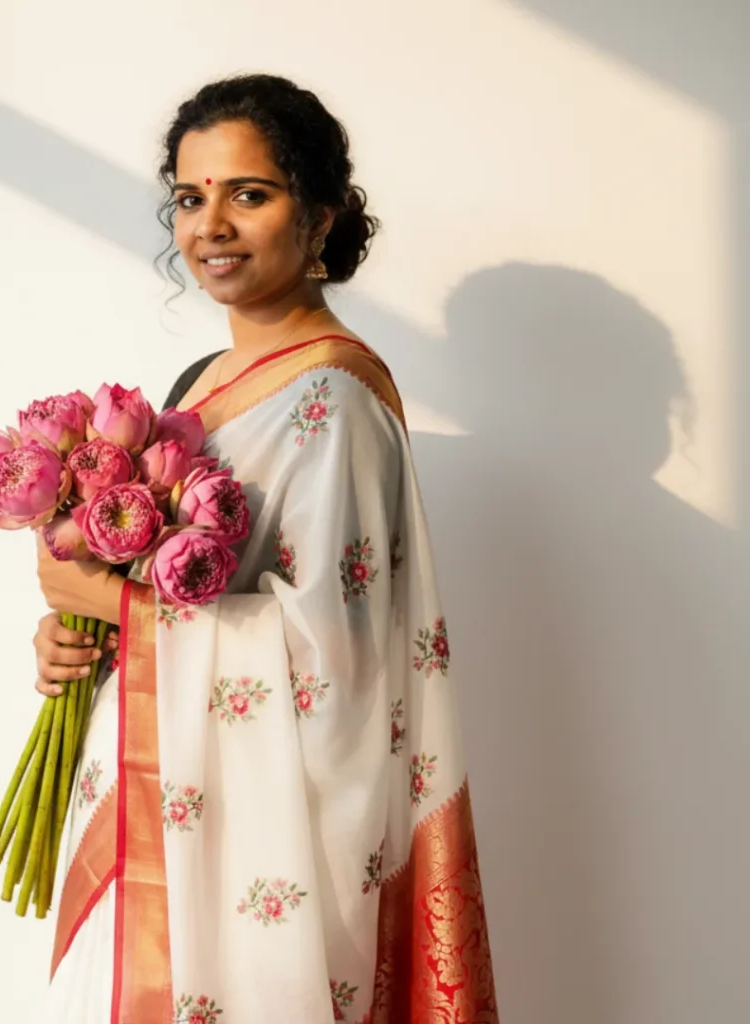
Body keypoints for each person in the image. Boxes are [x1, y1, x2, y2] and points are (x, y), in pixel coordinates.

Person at [30, 74, 498, 1024]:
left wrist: (114, 606)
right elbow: (172, 602)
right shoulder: (203, 381)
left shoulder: (337, 403)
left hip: (250, 864)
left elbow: (334, 661)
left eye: (250, 194)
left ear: (321, 214)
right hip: (155, 812)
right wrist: (74, 636)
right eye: (191, 198)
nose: (212, 226)